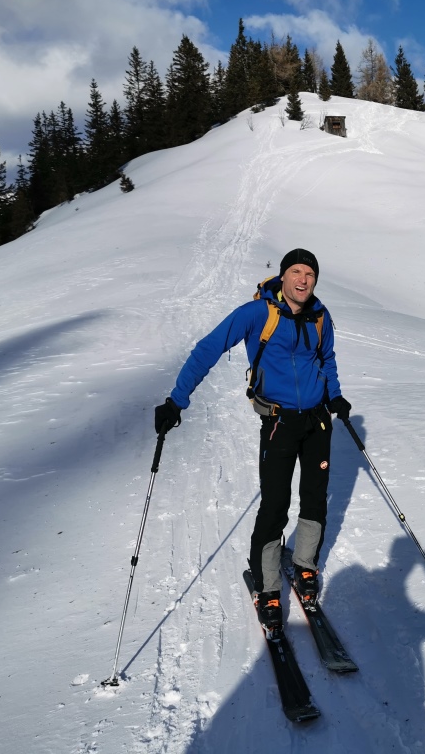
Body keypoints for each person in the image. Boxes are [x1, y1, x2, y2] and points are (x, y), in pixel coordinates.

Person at [154, 249, 351, 632]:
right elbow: (208, 349)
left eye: (310, 274)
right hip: (278, 422)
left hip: (317, 421)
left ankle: (305, 565)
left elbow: (327, 359)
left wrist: (335, 395)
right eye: (296, 271)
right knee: (275, 505)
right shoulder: (257, 313)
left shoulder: (320, 316)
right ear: (283, 275)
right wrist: (176, 400)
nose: (303, 280)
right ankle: (267, 586)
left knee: (315, 497)